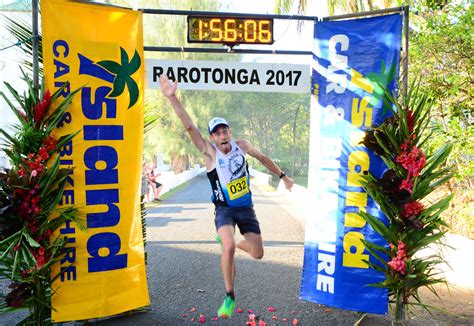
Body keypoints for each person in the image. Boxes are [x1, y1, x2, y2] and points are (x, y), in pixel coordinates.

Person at [159, 75, 294, 319]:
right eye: (217, 133)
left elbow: (263, 158)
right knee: (229, 246)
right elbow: (190, 127)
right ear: (211, 137)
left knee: (258, 253)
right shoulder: (209, 154)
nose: (222, 135)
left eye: (225, 131)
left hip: (246, 208)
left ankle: (231, 245)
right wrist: (172, 97)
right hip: (224, 210)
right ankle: (229, 295)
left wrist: (283, 176)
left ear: (229, 132)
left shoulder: (242, 145)